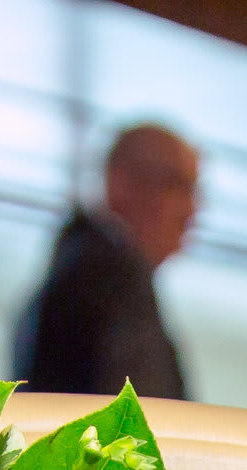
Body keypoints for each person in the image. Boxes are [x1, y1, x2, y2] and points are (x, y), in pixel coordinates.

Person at [14, 124, 197, 400]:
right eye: (176, 185)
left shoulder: (72, 271)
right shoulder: (110, 282)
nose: (191, 212)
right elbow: (140, 417)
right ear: (121, 183)